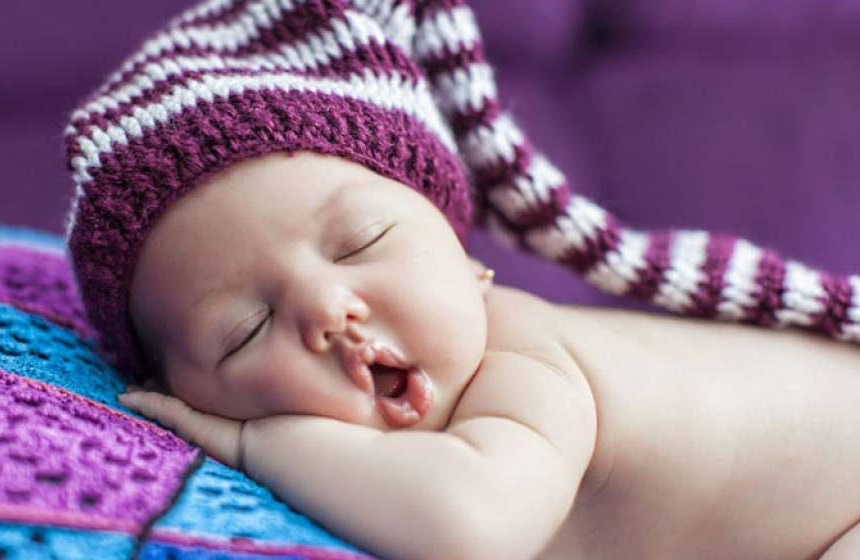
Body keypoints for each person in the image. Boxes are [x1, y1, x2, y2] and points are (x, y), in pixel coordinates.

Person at [64, 1, 860, 558]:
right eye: (245, 330)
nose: (327, 309)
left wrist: (252, 442)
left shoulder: (526, 364)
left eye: (361, 243)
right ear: (180, 389)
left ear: (466, 257)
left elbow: (469, 527)